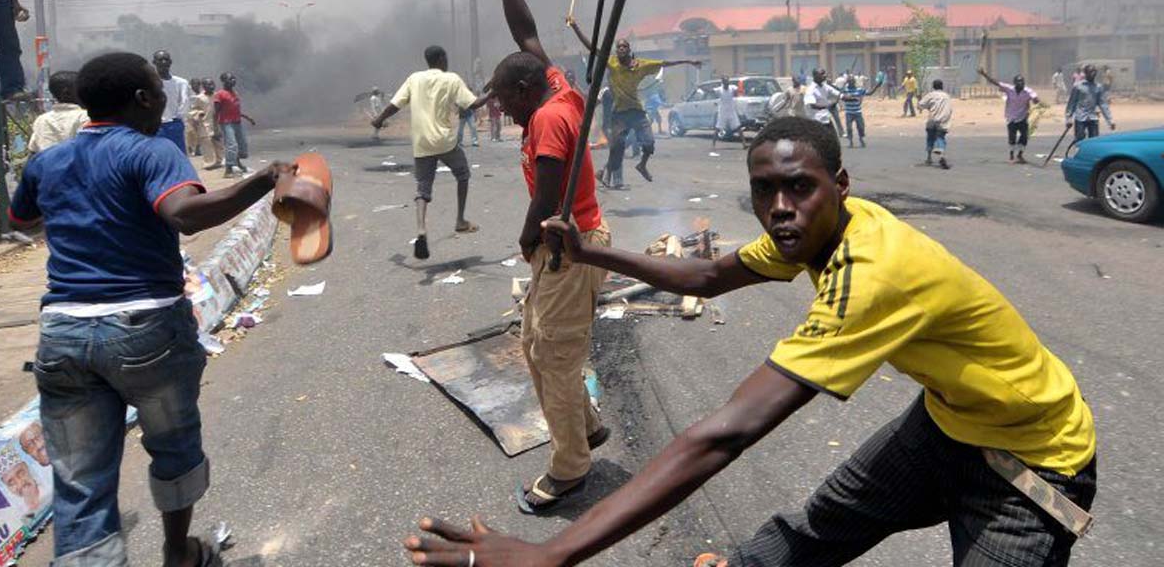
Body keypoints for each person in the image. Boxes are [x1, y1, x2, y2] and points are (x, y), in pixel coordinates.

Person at [405, 116, 1097, 567]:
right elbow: (706, 274)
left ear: (841, 186)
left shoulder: (874, 270)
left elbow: (725, 434)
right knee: (811, 531)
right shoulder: (815, 232)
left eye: (800, 188)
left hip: (1031, 464)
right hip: (949, 422)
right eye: (765, 191)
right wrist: (590, 255)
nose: (780, 207)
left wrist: (551, 555)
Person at [8, 51, 291, 567]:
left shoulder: (48, 161)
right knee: (174, 447)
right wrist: (264, 180)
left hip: (64, 334)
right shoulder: (151, 150)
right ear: (143, 98)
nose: (164, 99)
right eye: (158, 91)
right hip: (147, 330)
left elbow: (21, 219)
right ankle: (179, 553)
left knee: (81, 483)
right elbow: (182, 214)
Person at [482, 0, 611, 514]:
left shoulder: (548, 119)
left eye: (504, 99)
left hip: (569, 242)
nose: (502, 111)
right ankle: (585, 428)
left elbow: (551, 195)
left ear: (525, 90)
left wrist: (527, 238)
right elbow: (525, 27)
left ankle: (570, 469)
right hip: (569, 243)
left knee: (553, 355)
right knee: (540, 347)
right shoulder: (551, 86)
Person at [371, 46, 479, 260]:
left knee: (423, 189)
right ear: (441, 59)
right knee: (463, 174)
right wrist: (495, 91)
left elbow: (395, 105)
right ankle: (460, 220)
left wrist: (379, 119)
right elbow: (474, 103)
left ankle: (421, 229)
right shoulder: (451, 79)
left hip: (422, 144)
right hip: (446, 142)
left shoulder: (414, 79)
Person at [568, 23, 699, 187]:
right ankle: (608, 174)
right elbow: (592, 48)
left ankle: (642, 165)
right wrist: (575, 27)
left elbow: (665, 63)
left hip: (636, 112)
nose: (621, 49)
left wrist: (688, 61)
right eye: (618, 47)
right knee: (617, 148)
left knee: (649, 143)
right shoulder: (612, 63)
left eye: (624, 46)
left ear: (629, 50)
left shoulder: (641, 65)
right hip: (619, 116)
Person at [980, 67, 1041, 163]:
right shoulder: (1009, 89)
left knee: (1024, 136)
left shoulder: (1028, 91)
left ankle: (1020, 154)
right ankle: (1012, 155)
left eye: (1022, 82)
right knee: (1012, 137)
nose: (1021, 84)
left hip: (1023, 117)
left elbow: (1035, 98)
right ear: (1015, 83)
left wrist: (1036, 101)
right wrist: (984, 74)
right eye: (1019, 82)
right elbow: (996, 82)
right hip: (1011, 117)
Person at [27, 70, 87, 155]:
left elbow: (33, 150)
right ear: (67, 93)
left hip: (47, 166)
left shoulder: (42, 120)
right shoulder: (84, 116)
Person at [214, 72, 256, 177]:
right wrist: (215, 129)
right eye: (230, 79)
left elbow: (235, 109)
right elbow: (216, 112)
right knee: (231, 145)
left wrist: (248, 118)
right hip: (226, 123)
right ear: (224, 81)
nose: (233, 80)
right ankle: (228, 170)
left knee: (243, 145)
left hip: (237, 122)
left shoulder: (234, 93)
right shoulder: (220, 94)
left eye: (233, 78)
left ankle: (238, 164)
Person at [152, 51, 191, 154]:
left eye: (166, 59)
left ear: (170, 62)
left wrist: (177, 118)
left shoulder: (181, 83)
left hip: (174, 125)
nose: (164, 62)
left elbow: (185, 102)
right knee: (158, 155)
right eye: (160, 60)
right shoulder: (147, 82)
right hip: (155, 126)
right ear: (154, 62)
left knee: (178, 155)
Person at [1065, 64, 1115, 143]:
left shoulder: (1098, 87)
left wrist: (1110, 120)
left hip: (1093, 117)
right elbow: (1071, 103)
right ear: (1086, 73)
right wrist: (1068, 118)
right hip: (1080, 117)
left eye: (1094, 72)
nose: (1093, 74)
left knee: (1094, 141)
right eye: (1090, 72)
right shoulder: (1078, 86)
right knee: (1079, 139)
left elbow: (1103, 104)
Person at [919, 78, 953, 169]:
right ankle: (941, 155)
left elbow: (921, 104)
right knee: (940, 138)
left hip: (932, 119)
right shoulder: (947, 96)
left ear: (933, 86)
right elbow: (950, 109)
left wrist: (926, 107)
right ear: (942, 86)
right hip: (943, 121)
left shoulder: (930, 95)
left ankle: (929, 157)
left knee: (930, 138)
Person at [839, 73, 879, 148]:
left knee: (861, 127)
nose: (851, 83)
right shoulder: (845, 90)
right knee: (849, 128)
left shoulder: (859, 90)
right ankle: (850, 141)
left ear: (854, 82)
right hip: (849, 112)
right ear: (848, 82)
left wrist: (877, 86)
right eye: (849, 81)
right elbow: (842, 96)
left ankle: (861, 138)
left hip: (857, 112)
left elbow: (870, 93)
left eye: (852, 81)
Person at [807, 68, 841, 134]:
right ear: (816, 76)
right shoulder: (810, 89)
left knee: (833, 139)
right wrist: (828, 105)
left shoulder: (825, 86)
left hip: (826, 119)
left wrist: (848, 96)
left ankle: (841, 132)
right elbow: (813, 105)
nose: (825, 75)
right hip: (817, 121)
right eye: (822, 74)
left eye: (825, 73)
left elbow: (839, 94)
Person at [199, 78, 223, 169]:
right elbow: (194, 109)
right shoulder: (200, 98)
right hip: (206, 123)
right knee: (207, 143)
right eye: (208, 85)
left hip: (217, 122)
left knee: (218, 142)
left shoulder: (218, 95)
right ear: (204, 87)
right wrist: (198, 114)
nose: (211, 86)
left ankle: (220, 160)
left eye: (212, 84)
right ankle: (209, 162)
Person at [713, 76, 741, 148]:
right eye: (725, 82)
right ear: (723, 83)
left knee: (738, 127)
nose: (727, 83)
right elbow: (712, 91)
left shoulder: (732, 87)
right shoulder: (720, 89)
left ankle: (744, 144)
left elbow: (739, 89)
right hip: (722, 112)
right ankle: (713, 145)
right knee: (718, 128)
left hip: (731, 111)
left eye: (728, 81)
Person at [185, 79, 205, 156]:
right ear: (191, 85)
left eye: (198, 84)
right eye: (194, 84)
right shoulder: (188, 93)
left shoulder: (202, 94)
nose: (196, 86)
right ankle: (190, 148)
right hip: (189, 116)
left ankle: (197, 149)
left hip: (199, 116)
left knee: (199, 133)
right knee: (190, 132)